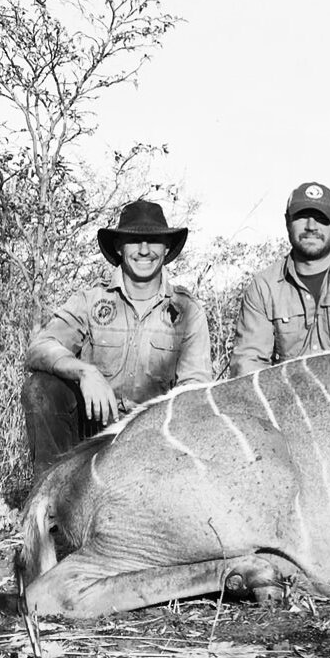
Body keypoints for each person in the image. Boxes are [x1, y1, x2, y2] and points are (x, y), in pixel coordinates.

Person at [22, 200, 212, 475]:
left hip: (153, 438)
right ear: (119, 247)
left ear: (166, 248)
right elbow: (40, 347)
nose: (144, 250)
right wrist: (85, 372)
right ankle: (50, 497)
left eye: (153, 241)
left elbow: (195, 389)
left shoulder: (187, 311)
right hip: (92, 432)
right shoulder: (91, 301)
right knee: (40, 388)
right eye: (134, 240)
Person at [230, 181, 330, 376]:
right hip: (287, 399)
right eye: (301, 217)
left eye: (321, 218)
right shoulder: (263, 287)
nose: (311, 226)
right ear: (287, 220)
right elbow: (248, 364)